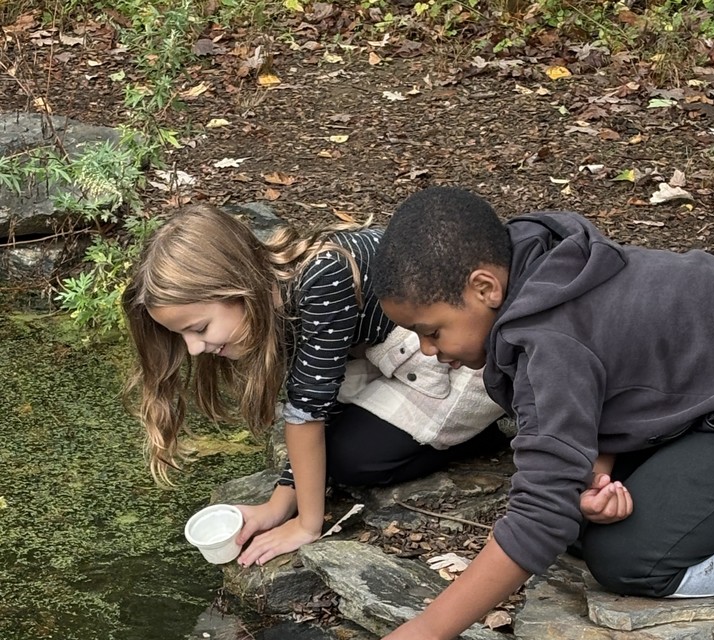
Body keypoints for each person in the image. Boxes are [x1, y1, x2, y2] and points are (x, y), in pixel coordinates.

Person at [363, 184, 714, 640]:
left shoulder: (547, 344)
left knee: (630, 561)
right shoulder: (544, 263)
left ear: (485, 287)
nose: (426, 351)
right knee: (585, 518)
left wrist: (428, 630)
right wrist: (598, 467)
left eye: (432, 331)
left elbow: (541, 514)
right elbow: (630, 366)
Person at [123, 203, 503, 566]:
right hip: (397, 357)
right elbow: (314, 399)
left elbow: (307, 413)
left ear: (236, 286)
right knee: (326, 450)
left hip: (459, 360)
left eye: (199, 329)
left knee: (350, 459)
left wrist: (307, 523)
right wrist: (279, 503)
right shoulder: (273, 293)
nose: (193, 350)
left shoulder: (323, 277)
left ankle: (478, 430)